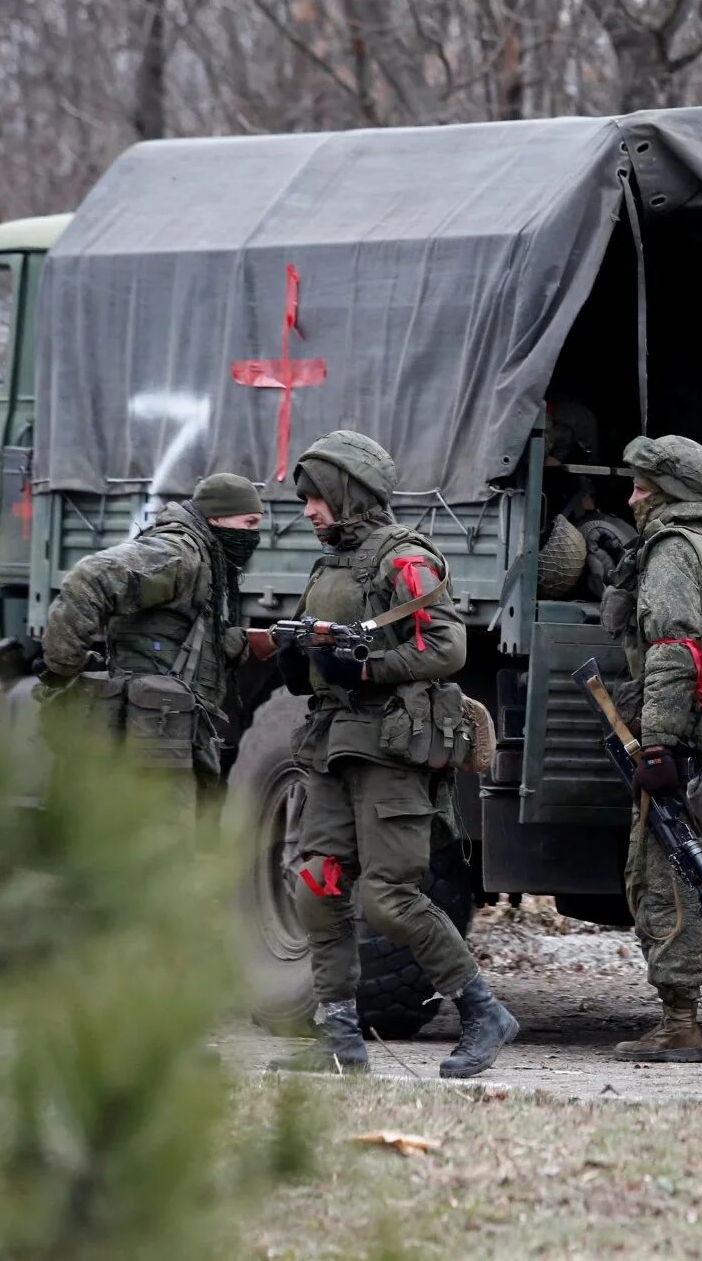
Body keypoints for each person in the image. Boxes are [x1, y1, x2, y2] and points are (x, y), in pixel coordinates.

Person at [267, 430, 518, 1080]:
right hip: (329, 747)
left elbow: (446, 648)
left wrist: (367, 667)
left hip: (388, 749)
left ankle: (483, 1011)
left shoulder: (404, 560)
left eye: (317, 497)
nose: (308, 510)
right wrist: (302, 658)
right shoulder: (329, 563)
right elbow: (324, 652)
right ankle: (339, 1034)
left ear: (350, 493)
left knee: (389, 897)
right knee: (316, 885)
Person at [602, 434, 702, 1063]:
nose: (634, 498)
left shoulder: (671, 549)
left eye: (643, 487)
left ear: (668, 494)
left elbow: (674, 646)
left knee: (663, 872)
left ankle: (679, 1023)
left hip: (686, 738)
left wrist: (657, 745)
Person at [40, 473, 266, 807]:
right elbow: (89, 578)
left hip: (164, 733)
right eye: (249, 522)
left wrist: (238, 643)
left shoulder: (206, 558)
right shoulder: (179, 554)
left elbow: (175, 634)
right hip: (147, 738)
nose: (254, 535)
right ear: (216, 518)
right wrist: (61, 671)